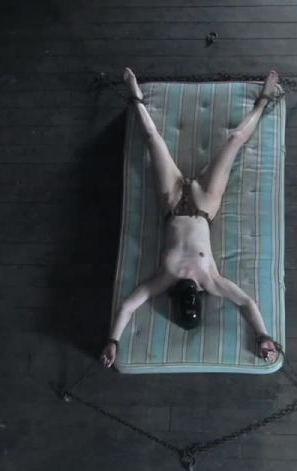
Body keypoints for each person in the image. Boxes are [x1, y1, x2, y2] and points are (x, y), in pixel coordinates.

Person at [99, 68, 283, 369]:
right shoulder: (210, 280)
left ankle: (135, 95)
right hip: (204, 206)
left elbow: (129, 306)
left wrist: (113, 341)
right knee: (235, 139)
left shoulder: (164, 279)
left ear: (175, 303)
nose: (188, 298)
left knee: (153, 139)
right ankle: (264, 98)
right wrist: (263, 336)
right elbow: (246, 302)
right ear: (197, 301)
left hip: (171, 203)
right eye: (192, 302)